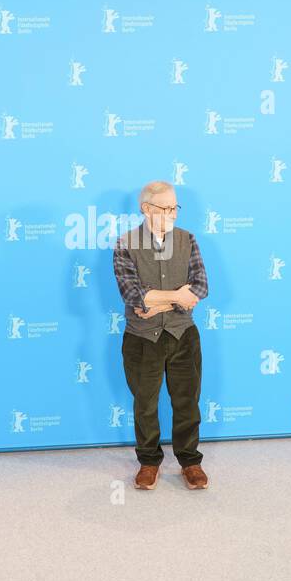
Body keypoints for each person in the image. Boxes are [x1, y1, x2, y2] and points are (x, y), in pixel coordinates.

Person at [112, 180, 210, 490]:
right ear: (146, 209)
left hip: (183, 336)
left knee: (187, 402)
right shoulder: (126, 243)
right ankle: (148, 462)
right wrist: (175, 297)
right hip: (142, 339)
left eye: (175, 207)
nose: (172, 214)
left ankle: (190, 462)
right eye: (165, 208)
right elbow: (132, 294)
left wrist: (158, 302)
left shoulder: (187, 240)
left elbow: (200, 288)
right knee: (145, 404)